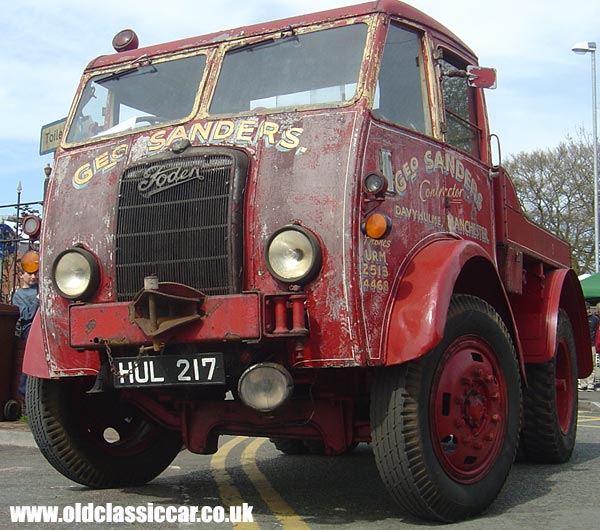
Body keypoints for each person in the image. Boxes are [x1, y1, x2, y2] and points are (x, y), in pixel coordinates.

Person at [12, 251, 40, 410]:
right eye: (30, 274)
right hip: (29, 329)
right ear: (21, 275)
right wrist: (37, 301)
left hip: (40, 327)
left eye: (35, 274)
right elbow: (25, 315)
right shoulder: (19, 295)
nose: (33, 277)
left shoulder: (39, 288)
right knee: (29, 360)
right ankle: (24, 393)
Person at [581, 302, 600, 391]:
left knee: (592, 364)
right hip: (582, 344)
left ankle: (590, 384)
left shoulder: (595, 319)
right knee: (581, 363)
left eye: (587, 309)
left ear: (589, 309)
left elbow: (597, 332)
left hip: (591, 344)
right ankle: (582, 383)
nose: (586, 311)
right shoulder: (580, 318)